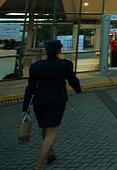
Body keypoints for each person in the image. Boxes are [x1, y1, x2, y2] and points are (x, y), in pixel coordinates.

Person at [22, 40, 81, 170]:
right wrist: (78, 89)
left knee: (44, 127)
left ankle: (50, 154)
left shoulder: (36, 66)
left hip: (39, 100)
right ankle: (38, 166)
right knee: (52, 131)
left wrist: (25, 106)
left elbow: (30, 87)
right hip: (57, 100)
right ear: (59, 50)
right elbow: (72, 79)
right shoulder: (65, 64)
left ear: (46, 51)